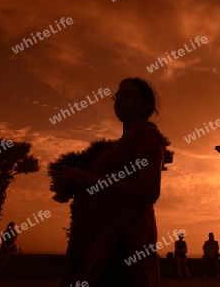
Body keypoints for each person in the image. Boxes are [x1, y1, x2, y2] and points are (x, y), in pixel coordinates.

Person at [57, 78, 166, 287]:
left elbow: (149, 191)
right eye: (117, 96)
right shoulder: (117, 146)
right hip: (100, 236)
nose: (118, 100)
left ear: (146, 105)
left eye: (127, 95)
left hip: (121, 239)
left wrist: (86, 178)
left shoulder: (147, 137)